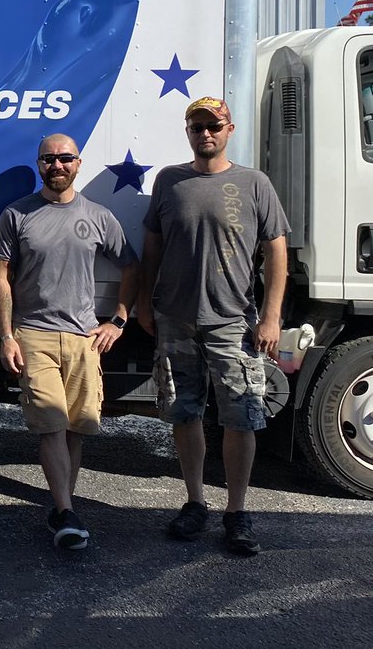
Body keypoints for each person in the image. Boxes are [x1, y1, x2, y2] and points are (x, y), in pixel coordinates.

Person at [136, 97, 288, 557]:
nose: (206, 133)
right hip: (176, 319)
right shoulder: (169, 181)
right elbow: (153, 246)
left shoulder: (254, 183)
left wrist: (271, 316)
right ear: (188, 131)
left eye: (214, 126)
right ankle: (195, 502)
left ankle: (236, 512)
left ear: (229, 130)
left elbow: (277, 251)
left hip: (233, 322)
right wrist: (145, 301)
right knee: (184, 414)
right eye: (197, 126)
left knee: (241, 418)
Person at [0, 134, 138, 550]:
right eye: (49, 159)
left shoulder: (99, 216)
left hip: (83, 338)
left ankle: (62, 509)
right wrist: (6, 335)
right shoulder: (16, 215)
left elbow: (132, 268)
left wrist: (119, 321)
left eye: (65, 158)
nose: (57, 165)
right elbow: (0, 278)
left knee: (76, 427)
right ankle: (66, 511)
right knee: (51, 425)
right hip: (33, 334)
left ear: (78, 163)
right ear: (39, 164)